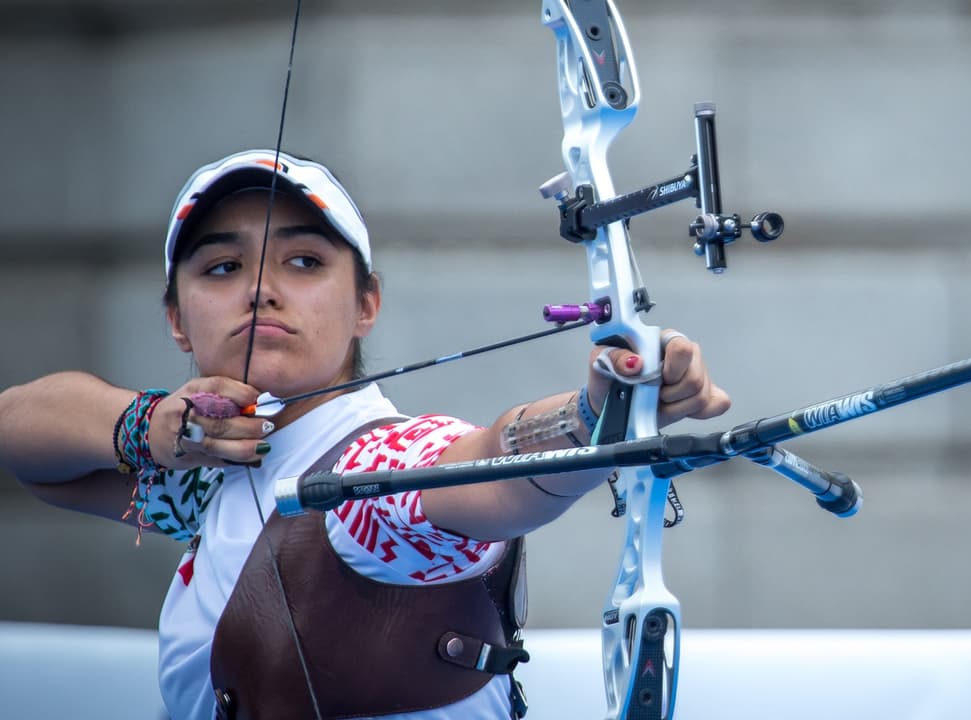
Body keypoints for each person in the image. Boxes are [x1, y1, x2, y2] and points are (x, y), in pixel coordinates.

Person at [0, 149, 730, 720]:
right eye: (222, 267)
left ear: (366, 304)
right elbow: (29, 446)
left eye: (305, 262)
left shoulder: (368, 473)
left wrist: (596, 411)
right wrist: (147, 428)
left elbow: (492, 470)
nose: (260, 288)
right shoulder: (209, 475)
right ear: (176, 318)